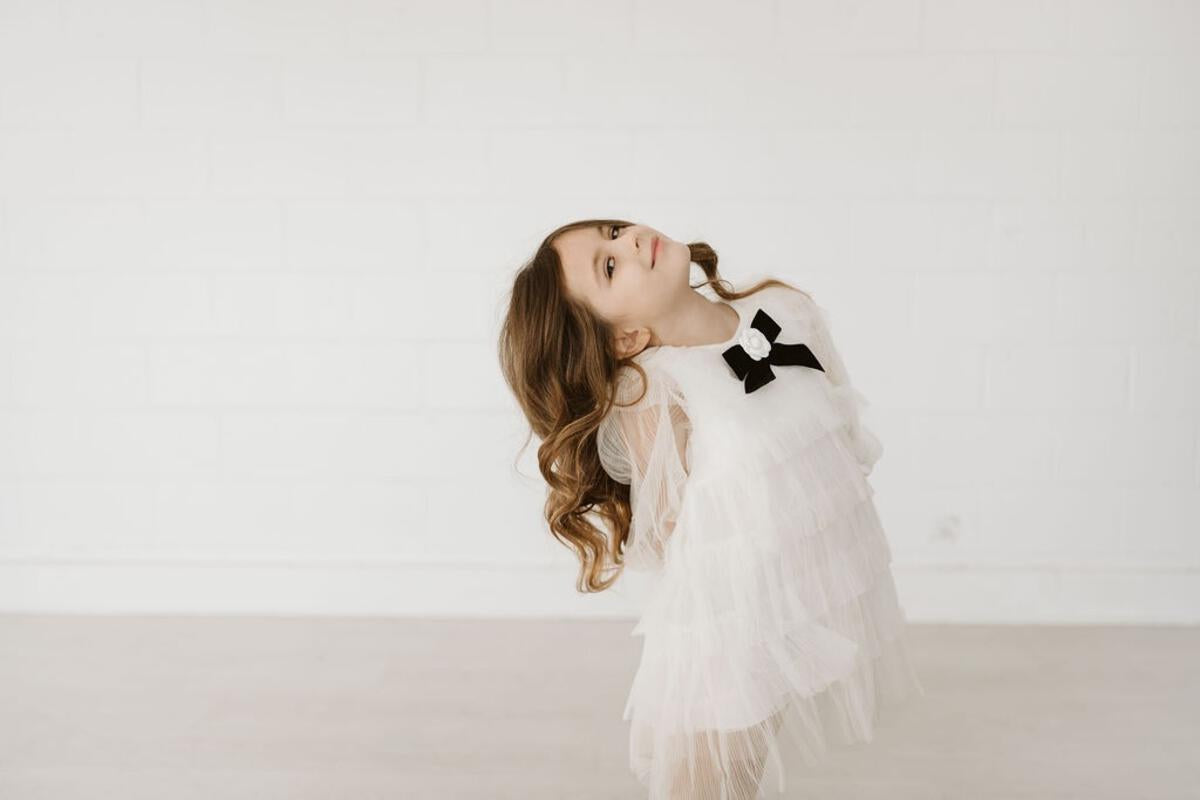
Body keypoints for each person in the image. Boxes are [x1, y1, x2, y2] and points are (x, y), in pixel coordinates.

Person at [497, 219, 925, 799]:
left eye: (614, 231)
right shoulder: (656, 391)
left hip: (798, 587)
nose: (628, 241)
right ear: (626, 339)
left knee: (753, 752)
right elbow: (667, 525)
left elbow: (838, 426)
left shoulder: (785, 311)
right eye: (609, 266)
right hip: (732, 615)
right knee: (713, 771)